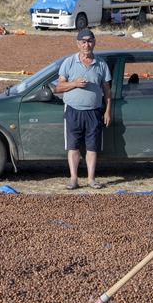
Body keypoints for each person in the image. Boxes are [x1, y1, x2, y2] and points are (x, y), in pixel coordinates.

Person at [53, 28, 112, 190]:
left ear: (94, 43)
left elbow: (107, 91)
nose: (87, 45)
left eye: (90, 41)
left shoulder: (101, 64)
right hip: (73, 111)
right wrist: (75, 83)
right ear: (78, 44)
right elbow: (59, 87)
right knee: (73, 147)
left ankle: (91, 179)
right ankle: (73, 179)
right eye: (83, 42)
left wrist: (107, 111)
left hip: (94, 111)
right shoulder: (69, 62)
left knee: (92, 147)